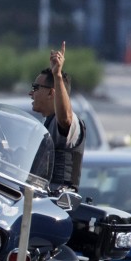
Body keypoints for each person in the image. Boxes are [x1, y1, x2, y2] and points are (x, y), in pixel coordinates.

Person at [29, 40, 85, 191]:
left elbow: (65, 119)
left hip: (58, 205)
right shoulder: (46, 123)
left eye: (35, 88)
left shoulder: (65, 121)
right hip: (39, 199)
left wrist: (57, 76)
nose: (31, 93)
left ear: (51, 92)